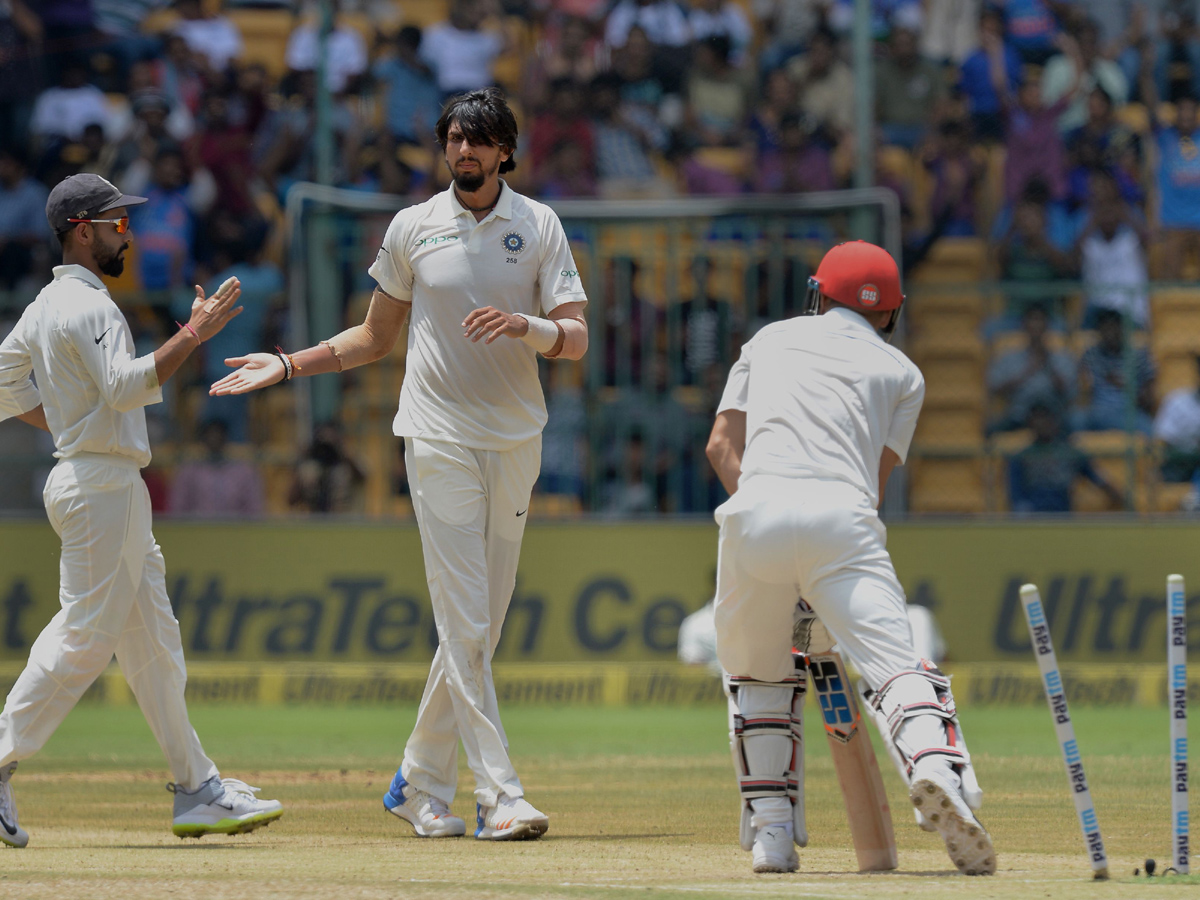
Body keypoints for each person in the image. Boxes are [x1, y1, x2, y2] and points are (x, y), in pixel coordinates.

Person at [210, 88, 588, 841]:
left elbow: (575, 338)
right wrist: (285, 366)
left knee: (479, 628)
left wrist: (528, 325)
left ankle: (416, 784)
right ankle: (500, 795)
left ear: (506, 151)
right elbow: (372, 340)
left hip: (516, 440)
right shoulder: (413, 227)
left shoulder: (538, 224)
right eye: (454, 139)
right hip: (437, 435)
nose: (464, 152)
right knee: (466, 624)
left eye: (479, 141)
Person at [0, 173, 283, 848]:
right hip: (100, 485)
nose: (125, 234)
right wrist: (197, 330)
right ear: (81, 230)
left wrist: (71, 425)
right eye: (115, 224)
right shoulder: (89, 306)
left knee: (154, 646)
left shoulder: (43, 307)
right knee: (85, 637)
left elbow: (6, 386)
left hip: (95, 479)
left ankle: (198, 789)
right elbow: (126, 389)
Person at [705, 240, 994, 875]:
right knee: (895, 666)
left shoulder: (770, 340)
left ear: (818, 293)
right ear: (891, 312)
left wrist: (779, 538)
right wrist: (818, 576)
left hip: (756, 511)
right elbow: (875, 481)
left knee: (758, 676)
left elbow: (722, 444)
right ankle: (935, 767)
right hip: (844, 518)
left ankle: (772, 838)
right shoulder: (904, 373)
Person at [169, 418, 264, 516]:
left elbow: (254, 509)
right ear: (203, 440)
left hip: (236, 528)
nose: (214, 439)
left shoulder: (244, 472)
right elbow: (178, 509)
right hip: (198, 528)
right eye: (210, 436)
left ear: (225, 438)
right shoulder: (188, 472)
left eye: (218, 436)